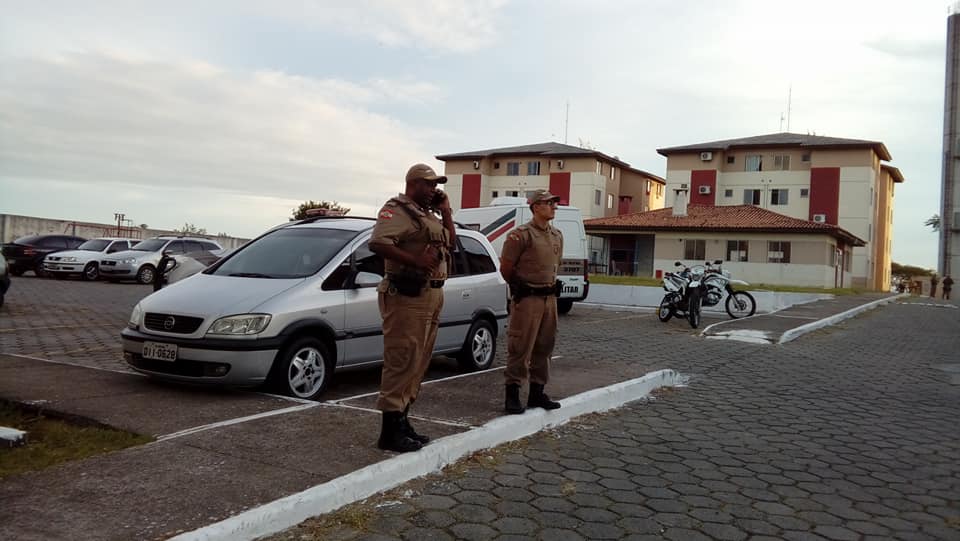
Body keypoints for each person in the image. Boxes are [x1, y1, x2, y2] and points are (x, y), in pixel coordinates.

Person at [368, 163, 455, 452]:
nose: (434, 190)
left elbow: (451, 244)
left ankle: (403, 421)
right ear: (414, 184)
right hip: (407, 295)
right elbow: (379, 243)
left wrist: (446, 212)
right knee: (402, 359)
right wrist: (414, 261)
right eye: (429, 185)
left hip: (431, 295)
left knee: (418, 361)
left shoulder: (427, 215)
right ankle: (389, 431)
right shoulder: (398, 209)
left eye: (435, 186)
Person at [500, 189, 564, 414]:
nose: (554, 207)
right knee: (521, 346)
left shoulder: (556, 235)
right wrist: (520, 286)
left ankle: (537, 392)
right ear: (536, 207)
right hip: (528, 299)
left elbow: (556, 265)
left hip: (548, 299)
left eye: (554, 203)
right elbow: (506, 268)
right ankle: (513, 393)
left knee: (545, 346)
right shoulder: (521, 235)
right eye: (549, 203)